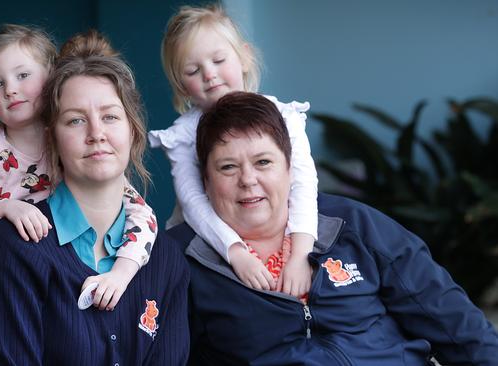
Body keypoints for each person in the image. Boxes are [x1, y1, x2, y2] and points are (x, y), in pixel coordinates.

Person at [168, 91, 498, 365]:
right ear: (205, 182)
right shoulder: (179, 259)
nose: (248, 180)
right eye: (228, 167)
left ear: (289, 169)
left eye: (263, 162)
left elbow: (449, 316)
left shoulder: (350, 223)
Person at [0, 24, 159, 365]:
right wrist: (5, 207)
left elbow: (141, 213)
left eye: (23, 75)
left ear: (51, 77)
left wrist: (123, 270)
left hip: (27, 290)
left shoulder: (66, 142)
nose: (11, 90)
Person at [149, 3, 317, 298]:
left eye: (218, 60)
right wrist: (235, 252)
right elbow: (193, 202)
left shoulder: (283, 115)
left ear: (245, 57)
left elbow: (303, 183)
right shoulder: (184, 135)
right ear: (181, 86)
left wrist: (301, 256)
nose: (209, 75)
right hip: (209, 239)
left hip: (281, 234)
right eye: (193, 70)